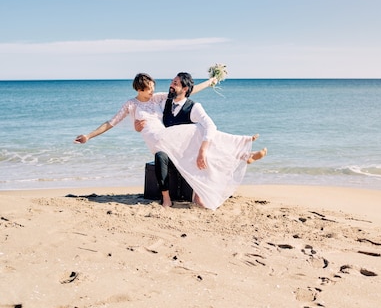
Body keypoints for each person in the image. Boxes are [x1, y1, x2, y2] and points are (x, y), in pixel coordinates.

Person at [75, 73, 267, 210]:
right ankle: (242, 151)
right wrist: (88, 136)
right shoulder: (131, 104)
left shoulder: (158, 98)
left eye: (153, 88)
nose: (152, 92)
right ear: (140, 89)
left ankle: (243, 154)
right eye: (149, 89)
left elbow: (189, 92)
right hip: (157, 140)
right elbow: (111, 122)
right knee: (199, 130)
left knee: (201, 131)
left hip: (168, 136)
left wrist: (210, 82)